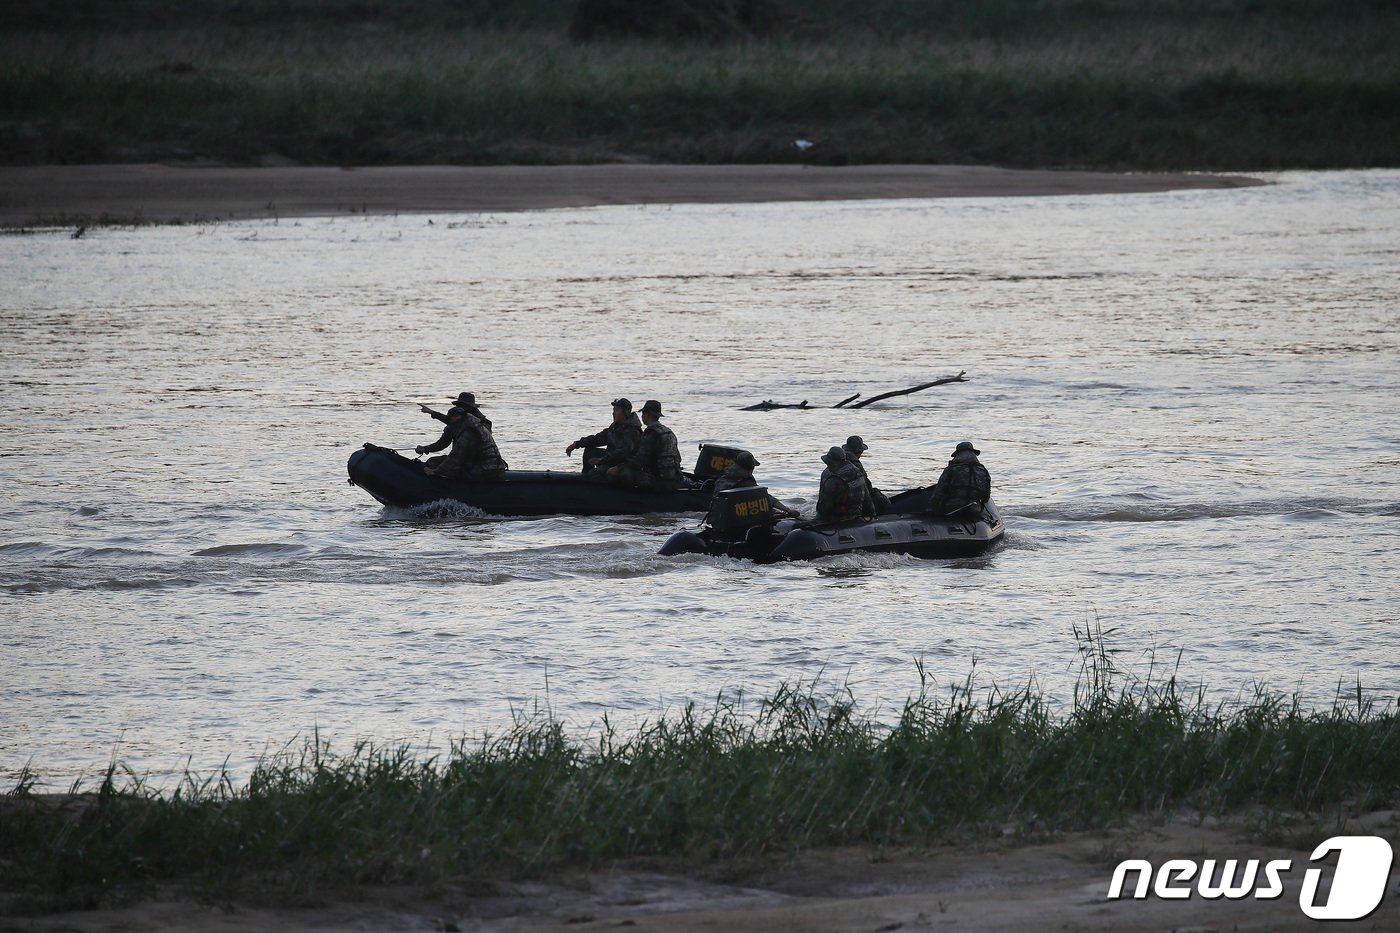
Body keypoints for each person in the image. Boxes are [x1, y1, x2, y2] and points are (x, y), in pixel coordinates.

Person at [609, 399, 683, 490]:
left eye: (643, 413)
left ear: (647, 414)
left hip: (659, 481)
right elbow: (678, 458)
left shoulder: (651, 433)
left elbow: (640, 460)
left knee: (625, 473)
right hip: (674, 479)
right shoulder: (668, 432)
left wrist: (618, 468)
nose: (642, 416)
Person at [420, 406, 508, 480]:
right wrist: (432, 412)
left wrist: (435, 471)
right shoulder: (471, 421)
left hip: (485, 470)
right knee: (435, 461)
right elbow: (445, 436)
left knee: (450, 469)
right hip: (488, 465)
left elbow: (455, 456)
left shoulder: (469, 433)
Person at [712, 451, 799, 518]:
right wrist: (787, 510)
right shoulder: (745, 481)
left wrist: (779, 511)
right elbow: (764, 497)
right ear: (750, 468)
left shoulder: (725, 478)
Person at [565, 398, 642, 473]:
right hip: (611, 460)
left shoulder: (632, 430)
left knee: (596, 472)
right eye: (613, 410)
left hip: (623, 465)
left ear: (625, 412)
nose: (613, 413)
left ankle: (591, 479)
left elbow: (623, 453)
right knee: (589, 451)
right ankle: (585, 476)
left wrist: (601, 459)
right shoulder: (614, 428)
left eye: (616, 410)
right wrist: (576, 444)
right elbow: (596, 439)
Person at [928, 441, 992, 516]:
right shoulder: (983, 471)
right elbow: (986, 497)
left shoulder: (951, 469)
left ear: (957, 455)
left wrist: (930, 510)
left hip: (953, 508)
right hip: (974, 509)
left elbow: (939, 492)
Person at [815, 445, 873, 522]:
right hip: (856, 516)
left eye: (828, 463)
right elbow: (867, 498)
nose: (828, 466)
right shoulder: (858, 472)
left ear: (832, 463)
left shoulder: (833, 480)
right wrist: (872, 515)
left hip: (840, 520)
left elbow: (824, 508)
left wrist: (814, 522)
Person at [842, 435, 893, 514]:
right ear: (860, 451)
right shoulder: (856, 466)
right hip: (852, 504)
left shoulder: (837, 462)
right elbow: (867, 487)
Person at [421, 391, 492, 431]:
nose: (458, 408)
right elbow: (450, 420)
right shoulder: (462, 418)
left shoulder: (482, 423)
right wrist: (431, 412)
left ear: (468, 407)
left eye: (460, 406)